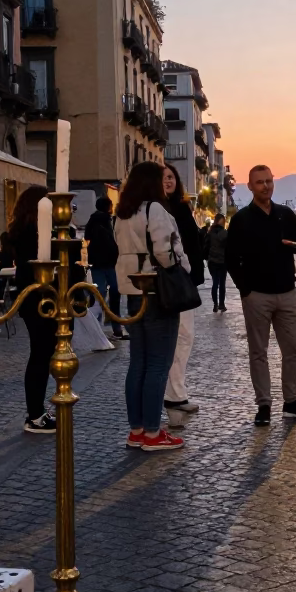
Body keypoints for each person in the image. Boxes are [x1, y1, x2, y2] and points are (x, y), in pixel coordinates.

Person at [225, 164, 296, 425]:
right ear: (251, 186)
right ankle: (264, 405)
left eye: (268, 181)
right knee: (258, 352)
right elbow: (231, 258)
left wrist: (295, 245)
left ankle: (292, 401)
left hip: (287, 291)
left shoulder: (285, 214)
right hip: (257, 296)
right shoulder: (241, 220)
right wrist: (245, 289)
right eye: (259, 182)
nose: (265, 186)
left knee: (293, 349)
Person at [115, 161, 186, 452]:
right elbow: (164, 251)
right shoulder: (154, 210)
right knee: (159, 363)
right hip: (158, 291)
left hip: (133, 292)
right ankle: (154, 433)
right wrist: (178, 263)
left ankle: (138, 430)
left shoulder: (122, 214)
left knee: (139, 362)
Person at [8, 186, 57, 434]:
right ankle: (35, 414)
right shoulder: (31, 233)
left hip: (35, 297)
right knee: (41, 353)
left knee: (42, 352)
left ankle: (36, 410)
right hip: (36, 297)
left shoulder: (25, 230)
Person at [161, 163, 205, 424]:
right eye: (163, 178)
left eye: (171, 177)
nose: (167, 181)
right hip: (174, 281)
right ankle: (174, 394)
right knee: (178, 337)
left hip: (185, 280)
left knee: (185, 337)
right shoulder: (159, 209)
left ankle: (177, 391)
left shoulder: (181, 207)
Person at [85, 196, 126, 340]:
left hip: (97, 263)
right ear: (107, 207)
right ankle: (115, 329)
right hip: (109, 263)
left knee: (99, 296)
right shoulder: (107, 221)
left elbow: (87, 236)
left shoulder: (93, 220)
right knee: (113, 294)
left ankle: (98, 330)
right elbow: (113, 241)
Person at [206, 213, 228, 312]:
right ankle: (222, 305)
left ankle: (215, 304)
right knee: (222, 283)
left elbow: (206, 245)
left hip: (212, 261)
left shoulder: (210, 232)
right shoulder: (225, 233)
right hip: (222, 261)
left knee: (215, 282)